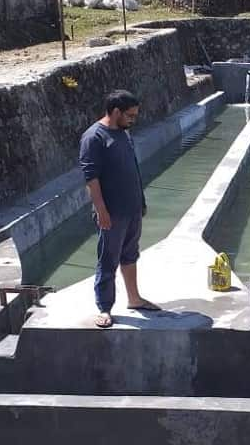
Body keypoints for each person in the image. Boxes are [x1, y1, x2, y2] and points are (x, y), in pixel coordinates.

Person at [79, 90, 159, 328]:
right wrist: (101, 211)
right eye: (130, 115)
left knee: (130, 254)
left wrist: (141, 202)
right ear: (116, 112)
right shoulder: (94, 137)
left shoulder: (124, 134)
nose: (133, 119)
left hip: (131, 207)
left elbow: (132, 169)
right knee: (108, 260)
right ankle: (104, 308)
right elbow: (91, 178)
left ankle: (134, 298)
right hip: (111, 212)